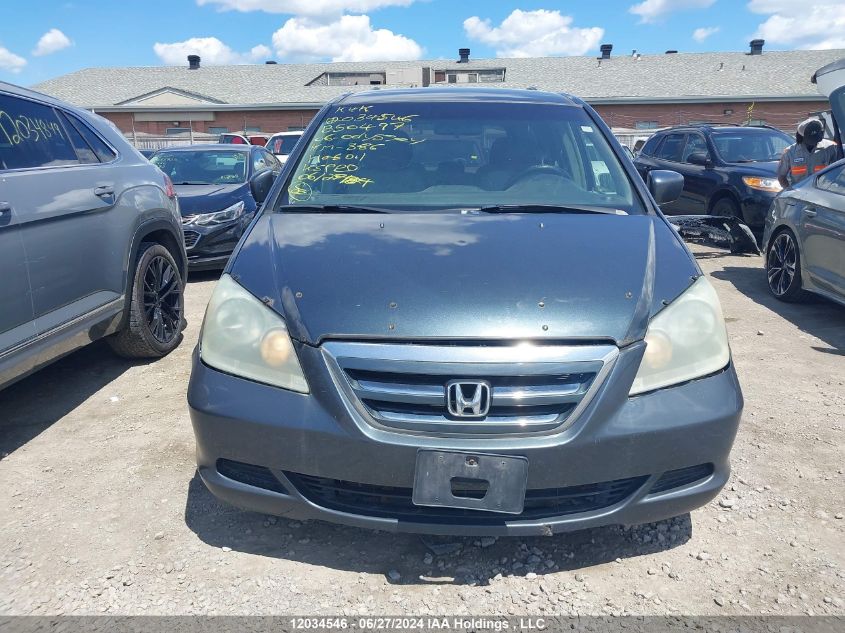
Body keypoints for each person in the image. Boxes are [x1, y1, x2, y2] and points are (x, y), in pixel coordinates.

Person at [777, 118, 839, 189]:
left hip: (822, 194)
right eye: (811, 138)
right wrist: (789, 190)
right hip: (799, 194)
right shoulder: (789, 152)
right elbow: (781, 176)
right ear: (802, 137)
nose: (814, 142)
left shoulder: (831, 148)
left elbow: (839, 172)